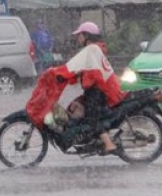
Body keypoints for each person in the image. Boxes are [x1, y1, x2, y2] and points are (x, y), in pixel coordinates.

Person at [53, 22, 128, 155]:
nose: (78, 38)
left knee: (91, 118)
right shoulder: (94, 49)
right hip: (98, 89)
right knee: (74, 106)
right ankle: (90, 139)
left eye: (80, 35)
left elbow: (92, 73)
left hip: (99, 91)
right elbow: (83, 67)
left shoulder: (92, 49)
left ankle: (109, 144)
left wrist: (63, 74)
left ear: (87, 35)